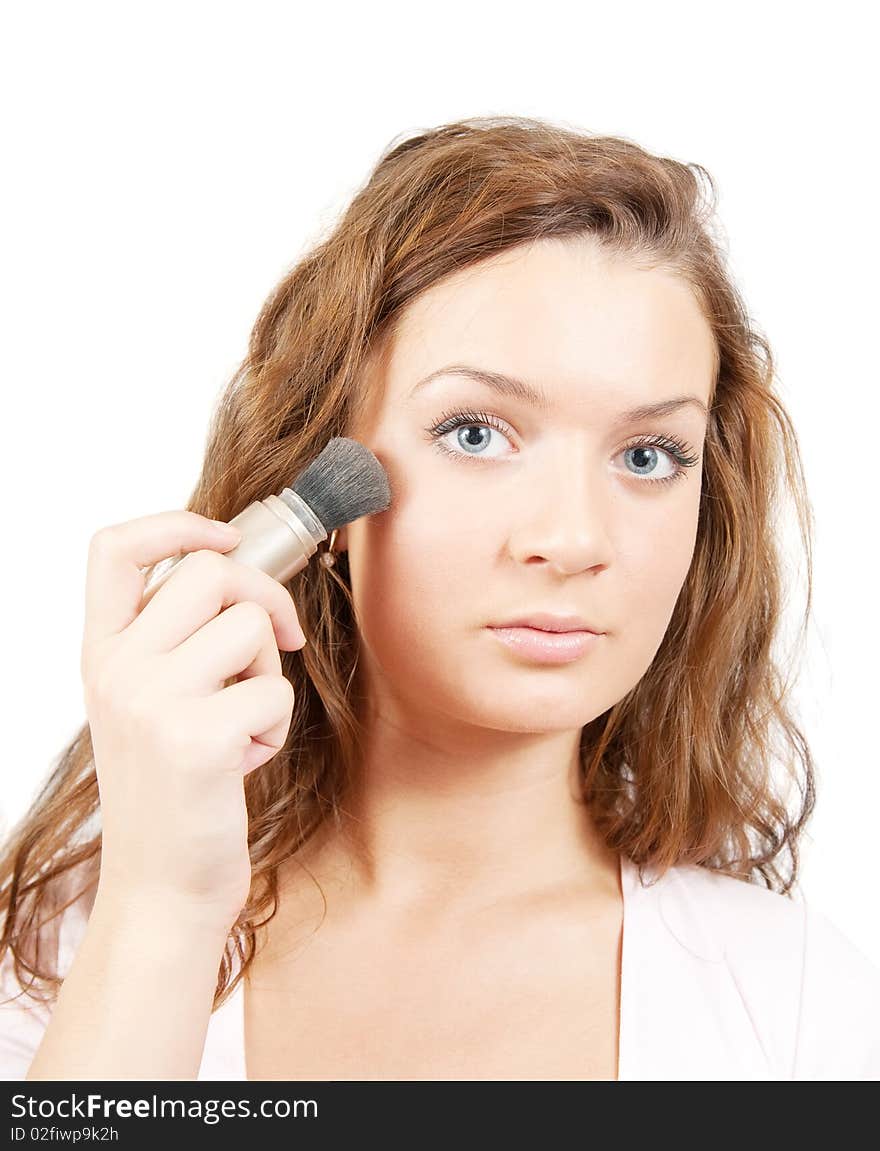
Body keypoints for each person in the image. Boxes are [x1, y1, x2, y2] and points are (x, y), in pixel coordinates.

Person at [1, 114, 878, 1082]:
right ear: (325, 484)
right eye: (474, 432)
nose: (573, 538)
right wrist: (161, 907)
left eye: (645, 455)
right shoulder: (63, 957)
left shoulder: (794, 1002)